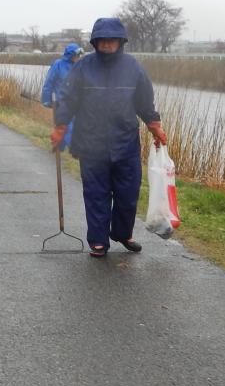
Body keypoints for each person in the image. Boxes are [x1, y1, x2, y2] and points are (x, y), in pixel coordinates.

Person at [51, 18, 165, 258]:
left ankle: (123, 233)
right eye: (102, 40)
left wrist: (154, 124)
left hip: (125, 141)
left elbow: (144, 100)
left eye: (112, 39)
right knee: (96, 193)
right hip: (91, 142)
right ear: (95, 42)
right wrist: (60, 126)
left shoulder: (132, 67)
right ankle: (98, 240)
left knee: (128, 192)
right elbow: (67, 98)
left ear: (120, 41)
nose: (107, 44)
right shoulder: (83, 67)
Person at [40, 43, 85, 149]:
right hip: (61, 103)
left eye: (79, 56)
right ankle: (66, 147)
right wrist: (46, 100)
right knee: (65, 126)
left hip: (75, 103)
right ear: (70, 55)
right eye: (77, 55)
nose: (79, 58)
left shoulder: (80, 66)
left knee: (73, 126)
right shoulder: (58, 65)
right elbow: (49, 82)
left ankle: (61, 147)